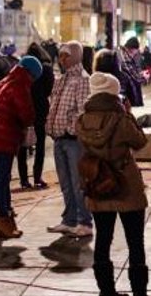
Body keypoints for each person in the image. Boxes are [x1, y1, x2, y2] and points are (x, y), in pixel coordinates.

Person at [77, 72, 149, 296]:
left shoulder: (83, 119)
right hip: (125, 182)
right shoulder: (121, 118)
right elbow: (140, 142)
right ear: (113, 93)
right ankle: (139, 292)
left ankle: (106, 291)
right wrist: (128, 113)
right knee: (135, 241)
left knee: (103, 239)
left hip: (98, 182)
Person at [0, 56, 42, 239]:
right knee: (2, 178)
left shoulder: (7, 80)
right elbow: (26, 114)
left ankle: (7, 215)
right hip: (6, 135)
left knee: (3, 175)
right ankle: (4, 219)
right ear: (31, 74)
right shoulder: (20, 85)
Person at [46, 41, 94, 238]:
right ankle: (69, 219)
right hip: (58, 139)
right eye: (61, 55)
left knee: (77, 182)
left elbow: (83, 111)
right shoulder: (62, 78)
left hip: (73, 140)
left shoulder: (82, 79)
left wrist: (68, 128)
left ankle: (84, 221)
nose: (62, 59)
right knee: (65, 182)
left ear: (75, 56)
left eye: (66, 55)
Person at [17, 43, 54, 190]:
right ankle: (38, 177)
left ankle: (24, 179)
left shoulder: (21, 68)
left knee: (22, 146)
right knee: (40, 145)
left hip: (23, 109)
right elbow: (49, 89)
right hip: (40, 109)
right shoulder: (46, 68)